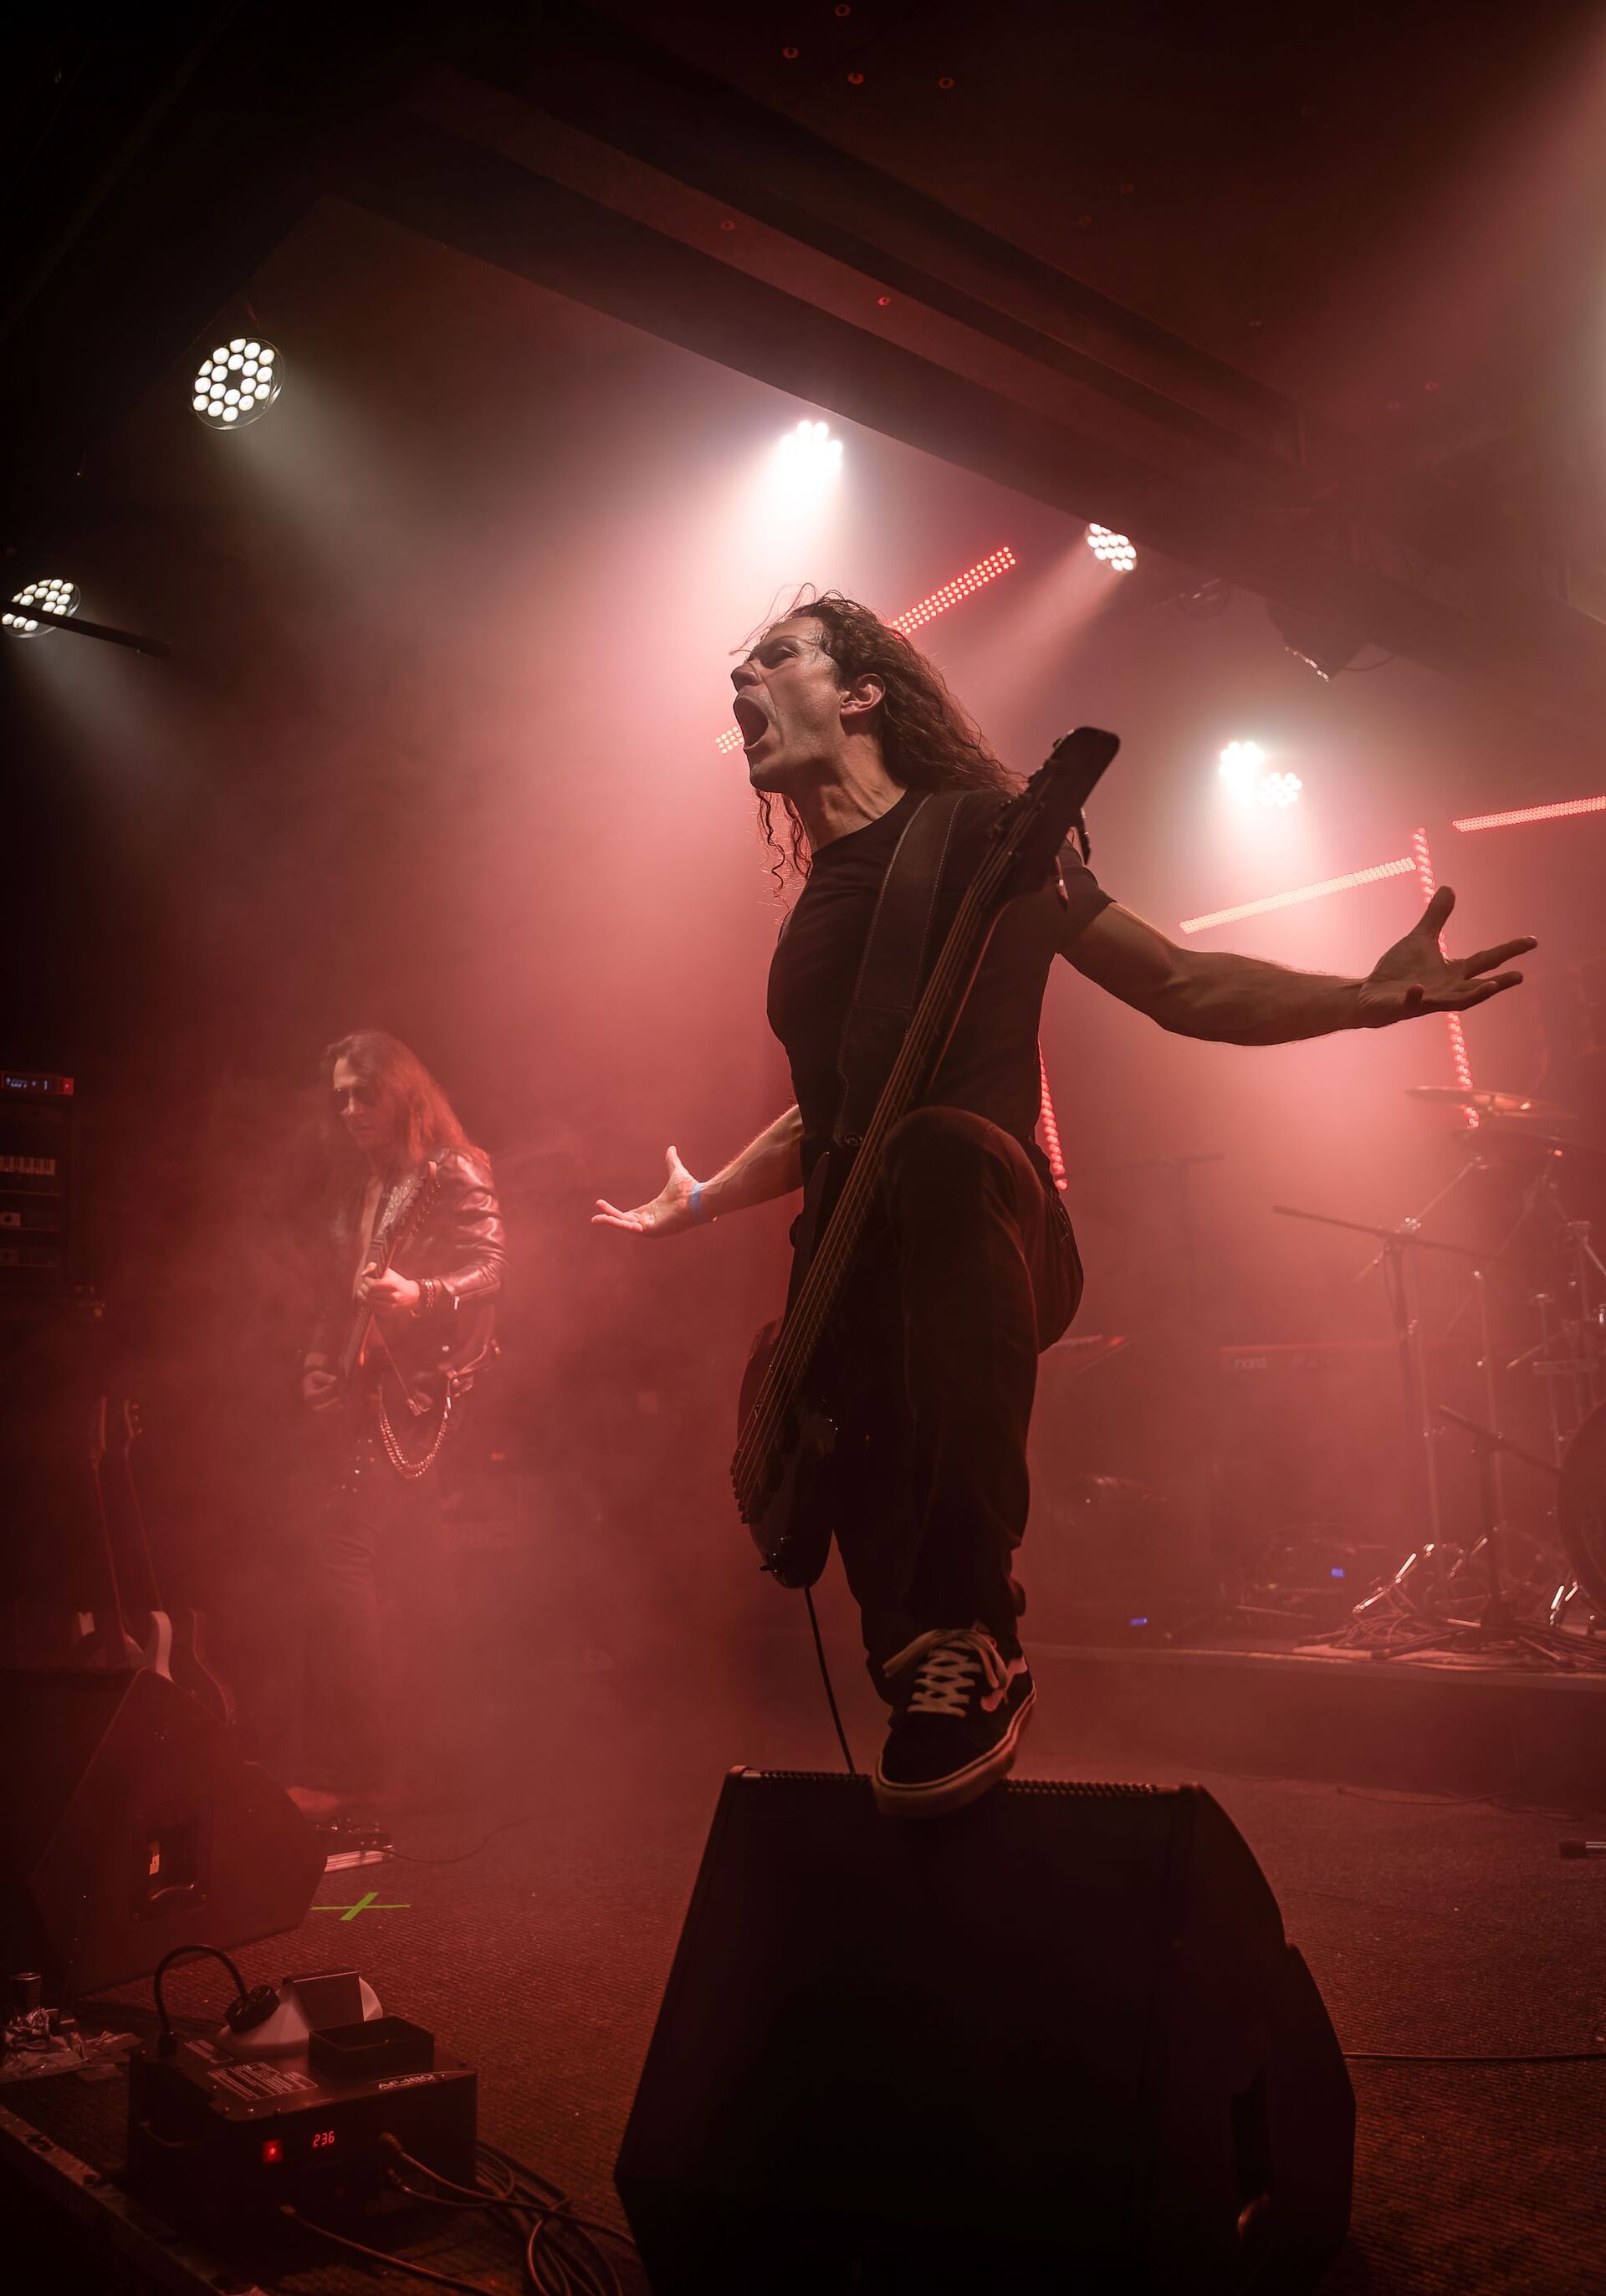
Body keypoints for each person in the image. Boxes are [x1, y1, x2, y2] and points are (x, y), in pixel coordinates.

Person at [595, 593, 1535, 1816]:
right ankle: (941, 1673)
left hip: (994, 1219)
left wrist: (1361, 996)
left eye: (775, 658)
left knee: (936, 1151)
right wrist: (706, 1199)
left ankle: (980, 1620)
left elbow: (1180, 980)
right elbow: (834, 1112)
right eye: (738, 669)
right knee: (904, 1653)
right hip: (856, 1265)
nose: (742, 683)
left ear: (864, 691)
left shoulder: (986, 841)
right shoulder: (816, 907)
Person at [293, 1030, 507, 1816]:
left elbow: (493, 1266)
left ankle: (355, 1770)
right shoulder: (361, 1180)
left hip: (419, 1393)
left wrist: (423, 1294)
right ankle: (440, 1761)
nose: (350, 1108)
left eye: (365, 1093)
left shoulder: (454, 1169)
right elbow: (339, 1289)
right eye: (341, 1095)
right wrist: (319, 1361)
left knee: (340, 1555)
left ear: (404, 1093)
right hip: (367, 1385)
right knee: (420, 1575)